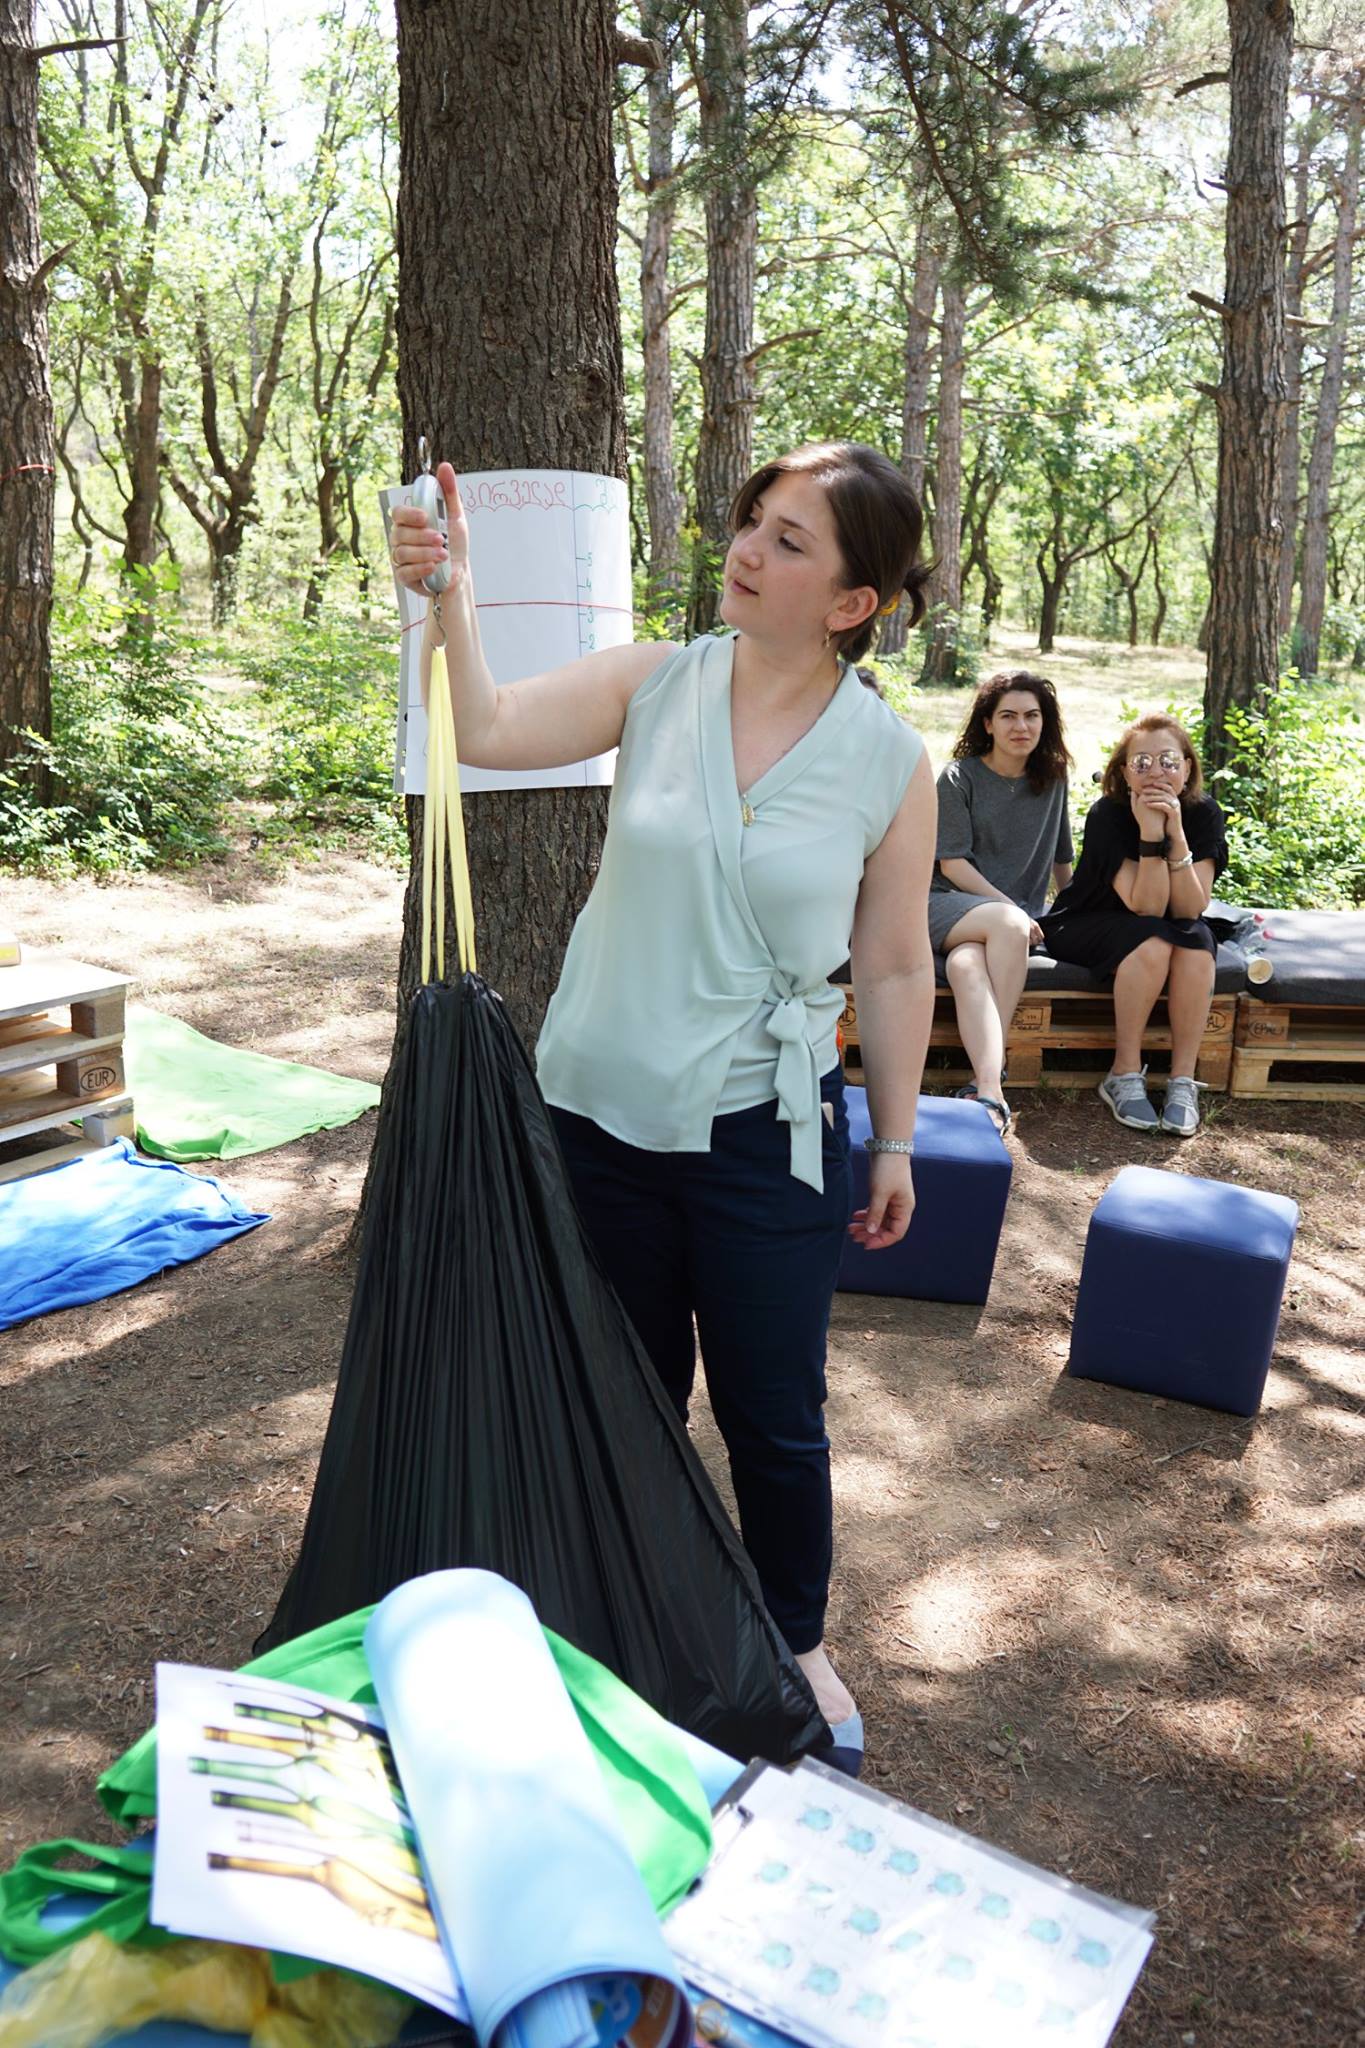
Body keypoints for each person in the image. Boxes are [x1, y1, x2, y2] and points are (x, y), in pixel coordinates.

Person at [391, 441, 937, 1769]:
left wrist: (898, 1136)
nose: (747, 548)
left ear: (852, 601)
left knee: (773, 1411)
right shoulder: (655, 680)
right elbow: (490, 728)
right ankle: (621, 1615)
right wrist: (450, 596)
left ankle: (793, 1635)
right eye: (753, 521)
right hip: (600, 1118)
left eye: (790, 540)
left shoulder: (890, 762)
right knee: (624, 1389)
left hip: (768, 1128)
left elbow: (891, 962)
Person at [1042, 713, 1228, 1137]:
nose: (1156, 772)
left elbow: (1188, 908)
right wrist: (1150, 833)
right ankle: (1123, 1072)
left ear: (1187, 768)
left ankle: (1182, 1080)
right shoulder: (1107, 814)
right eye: (1142, 762)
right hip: (1091, 920)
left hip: (1166, 921)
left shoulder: (1204, 813)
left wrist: (1176, 833)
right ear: (1124, 773)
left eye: (1168, 761)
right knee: (1153, 940)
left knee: (1197, 943)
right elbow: (1147, 906)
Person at [927, 670, 1074, 1133]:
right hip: (944, 903)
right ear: (988, 724)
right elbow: (953, 866)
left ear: (1044, 723)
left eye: (1032, 716)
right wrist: (1013, 911)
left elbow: (1062, 860)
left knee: (966, 966)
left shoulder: (1053, 780)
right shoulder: (958, 778)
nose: (1021, 726)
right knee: (1008, 925)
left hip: (1000, 923)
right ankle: (996, 1075)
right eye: (1008, 716)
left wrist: (1076, 912)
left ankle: (987, 1087)